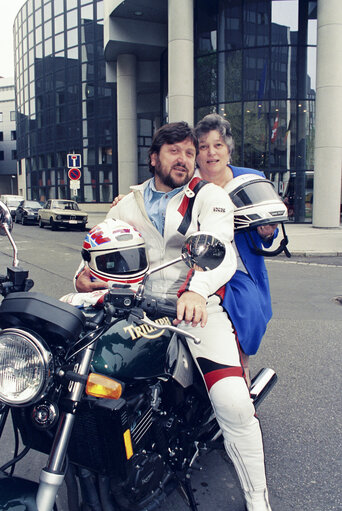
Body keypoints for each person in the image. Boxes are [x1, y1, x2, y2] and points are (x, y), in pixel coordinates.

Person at [75, 121, 272, 511]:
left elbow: (220, 247)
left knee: (233, 402)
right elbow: (96, 248)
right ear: (154, 158)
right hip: (137, 305)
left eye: (188, 152)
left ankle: (257, 498)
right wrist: (82, 278)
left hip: (195, 309)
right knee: (84, 369)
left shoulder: (209, 196)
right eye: (174, 151)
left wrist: (197, 291)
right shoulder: (127, 204)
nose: (184, 159)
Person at [195, 113, 278, 386]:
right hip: (199, 264)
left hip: (241, 268)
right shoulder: (187, 185)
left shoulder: (252, 180)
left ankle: (242, 376)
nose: (211, 152)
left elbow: (270, 235)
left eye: (218, 145)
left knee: (245, 309)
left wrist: (268, 232)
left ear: (228, 150)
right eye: (204, 146)